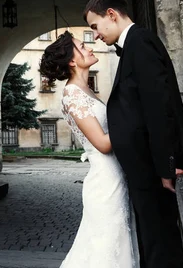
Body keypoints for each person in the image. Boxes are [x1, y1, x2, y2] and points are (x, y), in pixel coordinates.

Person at [84, 0, 183, 268]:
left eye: (95, 27)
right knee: (152, 242)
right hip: (147, 171)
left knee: (160, 246)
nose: (96, 35)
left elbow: (159, 108)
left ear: (111, 15)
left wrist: (166, 167)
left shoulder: (141, 43)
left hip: (155, 172)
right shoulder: (134, 45)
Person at [39, 31, 139, 268]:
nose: (91, 48)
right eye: (83, 46)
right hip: (105, 182)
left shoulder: (86, 90)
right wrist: (134, 117)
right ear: (72, 61)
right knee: (105, 250)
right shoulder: (72, 94)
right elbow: (103, 144)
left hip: (116, 176)